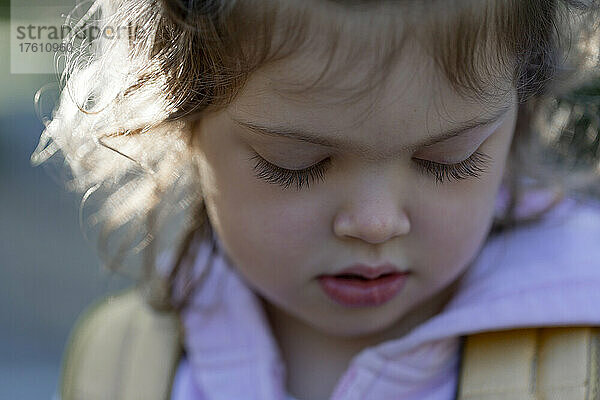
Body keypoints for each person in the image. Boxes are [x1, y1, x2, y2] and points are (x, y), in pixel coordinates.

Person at [31, 0, 600, 399]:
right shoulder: (121, 370)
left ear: (521, 112)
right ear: (181, 125)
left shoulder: (583, 357)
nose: (375, 224)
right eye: (295, 165)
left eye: (447, 160)